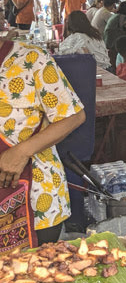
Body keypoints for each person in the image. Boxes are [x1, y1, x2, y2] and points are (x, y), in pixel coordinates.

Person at [0, 39, 87, 243]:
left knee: (35, 268)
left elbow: (73, 116)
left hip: (37, 196)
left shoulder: (31, 58)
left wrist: (21, 152)